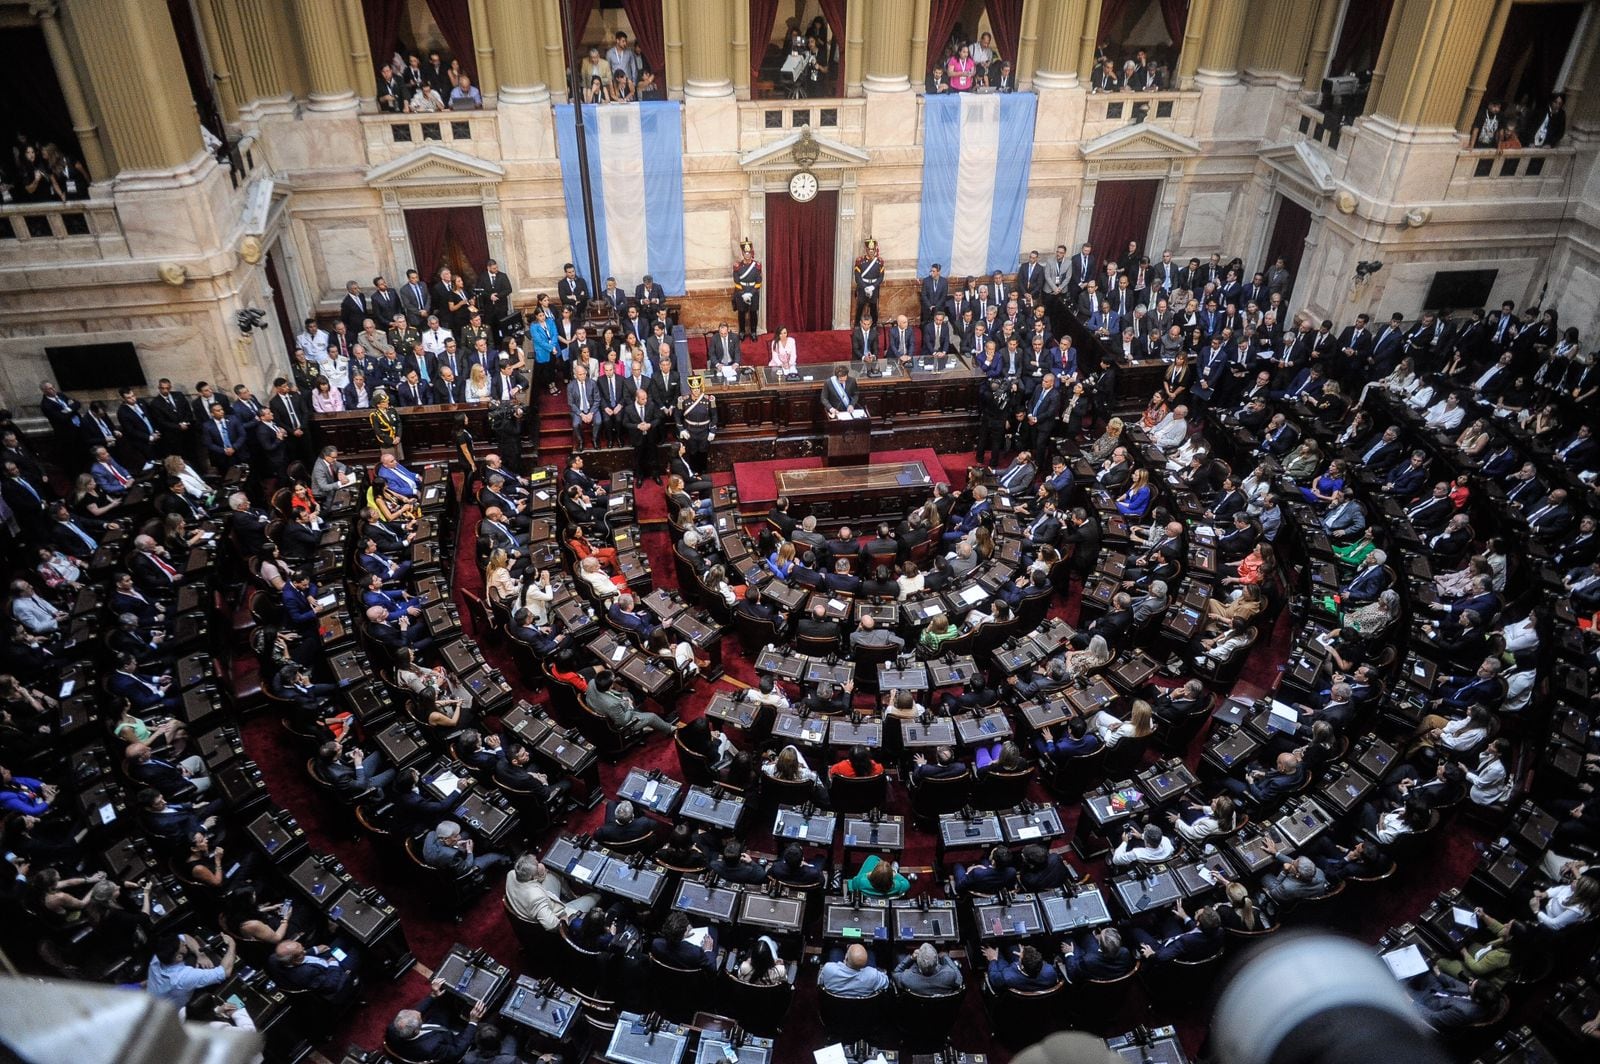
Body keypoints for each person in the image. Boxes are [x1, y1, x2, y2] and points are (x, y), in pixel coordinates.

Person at [819, 943, 889, 997]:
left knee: (836, 951)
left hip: (835, 1007)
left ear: (846, 958)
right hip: (861, 1009)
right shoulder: (873, 975)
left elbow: (820, 982)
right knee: (870, 952)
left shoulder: (829, 969)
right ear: (866, 964)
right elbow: (886, 983)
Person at [894, 942, 964, 994]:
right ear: (937, 962)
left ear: (917, 963)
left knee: (899, 953)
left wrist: (911, 958)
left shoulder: (907, 978)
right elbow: (959, 980)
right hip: (941, 1007)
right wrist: (945, 956)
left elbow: (896, 973)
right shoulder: (949, 975)